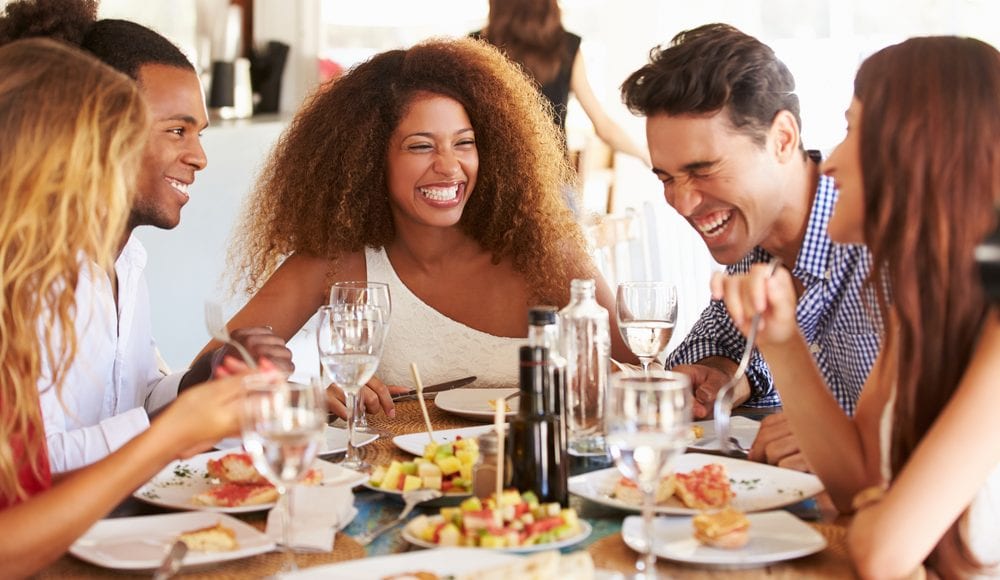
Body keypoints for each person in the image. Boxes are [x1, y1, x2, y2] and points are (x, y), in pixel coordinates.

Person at [213, 37, 636, 419]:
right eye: (420, 146)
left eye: (464, 143)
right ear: (368, 158)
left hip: (533, 475)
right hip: (392, 478)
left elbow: (637, 373)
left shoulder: (545, 253)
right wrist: (302, 396)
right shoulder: (336, 263)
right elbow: (212, 375)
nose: (449, 167)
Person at [712, 36, 1000, 577]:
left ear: (916, 154)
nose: (831, 163)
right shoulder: (918, 310)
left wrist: (878, 504)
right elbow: (851, 483)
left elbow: (879, 551)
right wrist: (781, 341)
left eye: (853, 131)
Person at [0, 0, 292, 473]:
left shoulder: (128, 261)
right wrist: (176, 428)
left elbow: (132, 399)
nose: (199, 157)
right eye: (177, 130)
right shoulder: (29, 274)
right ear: (97, 130)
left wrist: (205, 376)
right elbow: (32, 468)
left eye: (198, 134)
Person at [0, 37, 248, 577]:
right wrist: (165, 433)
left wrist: (193, 391)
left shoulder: (103, 267)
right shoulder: (29, 288)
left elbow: (28, 472)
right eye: (108, 149)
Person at [620, 23, 881, 471]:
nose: (682, 202)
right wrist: (722, 372)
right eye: (667, 178)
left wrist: (844, 440)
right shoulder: (753, 240)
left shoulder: (880, 242)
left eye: (703, 170)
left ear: (782, 139)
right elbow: (716, 341)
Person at [474, 0, 649, 167]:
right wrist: (644, 155)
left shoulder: (474, 45)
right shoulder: (567, 47)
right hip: (552, 176)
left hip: (491, 175)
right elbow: (604, 127)